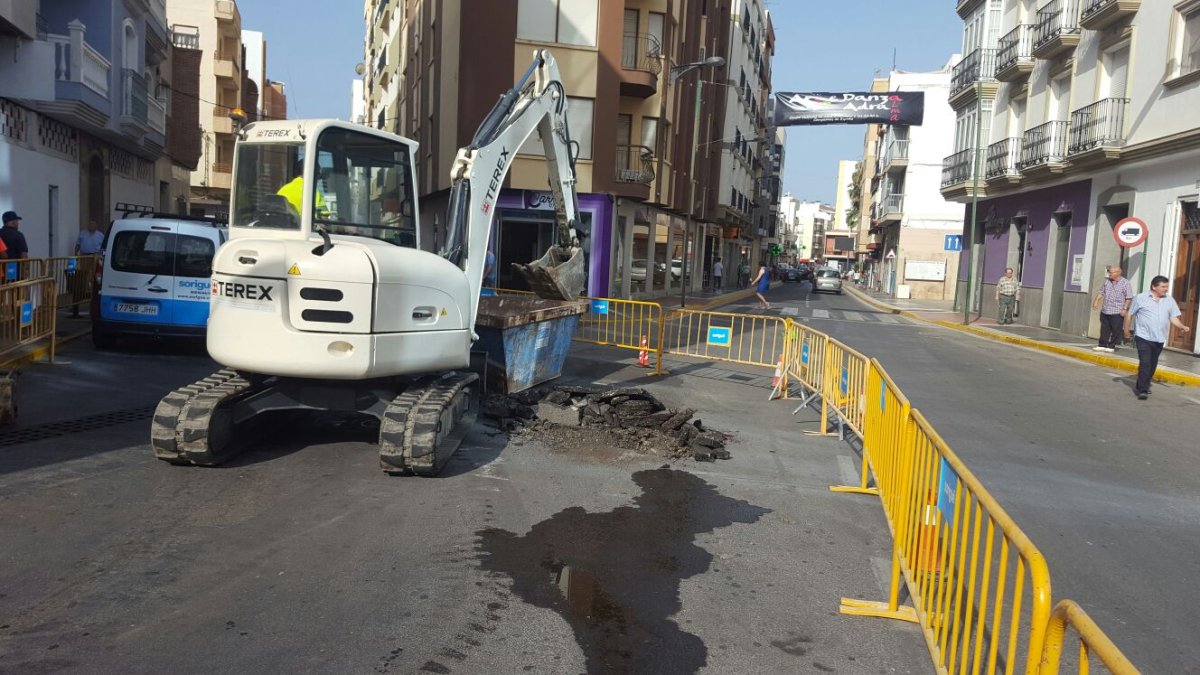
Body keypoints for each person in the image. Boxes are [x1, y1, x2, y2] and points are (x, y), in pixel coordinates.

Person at [1124, 275, 1191, 400]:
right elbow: (1129, 314)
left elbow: (1173, 317)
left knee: (1152, 364)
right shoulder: (1140, 298)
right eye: (1163, 286)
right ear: (1154, 287)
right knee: (1145, 363)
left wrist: (1182, 326)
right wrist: (1126, 331)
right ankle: (1143, 389)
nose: (1166, 289)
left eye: (1167, 286)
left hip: (1159, 338)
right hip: (1143, 337)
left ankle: (1141, 383)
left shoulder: (1169, 300)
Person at [1093, 264, 1133, 353]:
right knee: (1104, 328)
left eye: (1111, 272)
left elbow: (1129, 297)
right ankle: (1102, 345)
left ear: (1118, 273)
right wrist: (1096, 301)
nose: (1109, 274)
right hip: (1105, 310)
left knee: (1116, 329)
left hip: (1117, 311)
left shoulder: (1125, 283)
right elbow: (1101, 292)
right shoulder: (1107, 282)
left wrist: (1124, 308)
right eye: (1109, 272)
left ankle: (1111, 346)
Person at [70, 220, 105, 317]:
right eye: (90, 224)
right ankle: (86, 287)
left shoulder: (100, 235)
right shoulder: (82, 233)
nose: (91, 226)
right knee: (84, 273)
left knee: (93, 273)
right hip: (84, 256)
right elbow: (77, 245)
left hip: (95, 256)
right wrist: (76, 254)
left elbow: (103, 248)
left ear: (96, 226)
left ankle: (92, 287)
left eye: (93, 224)